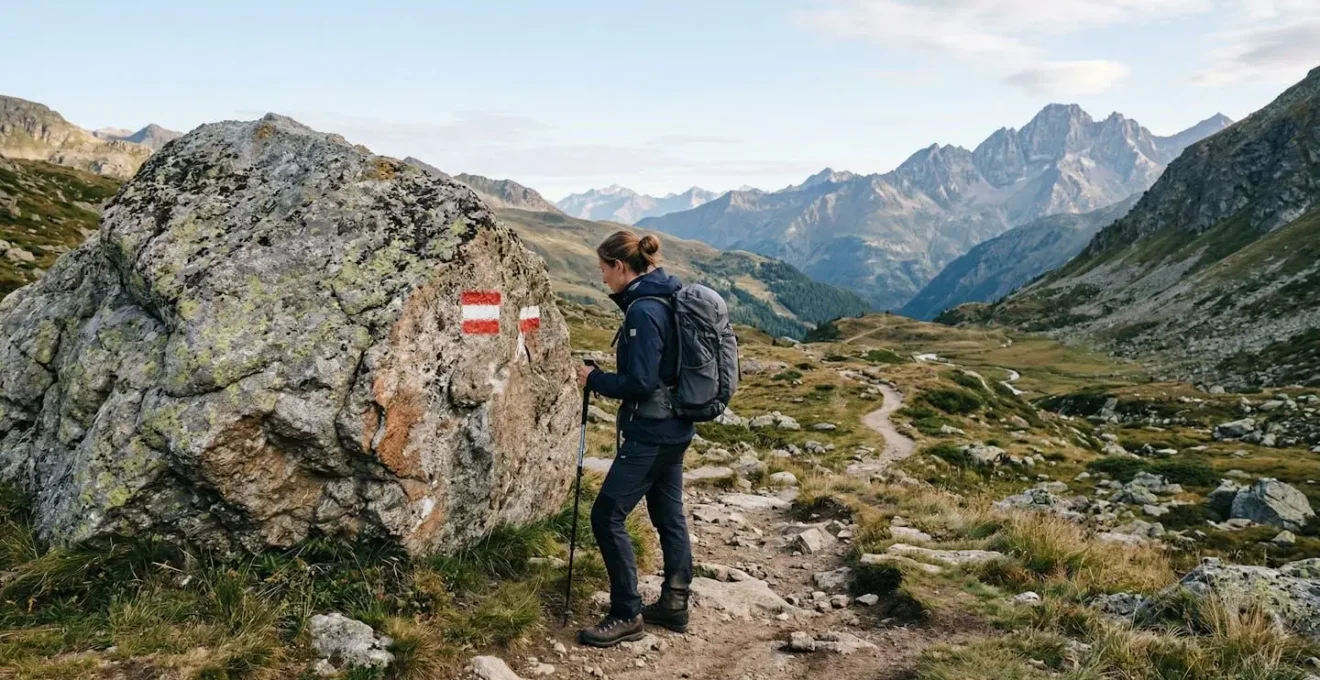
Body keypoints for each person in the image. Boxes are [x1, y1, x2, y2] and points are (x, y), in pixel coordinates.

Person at [574, 230, 694, 647]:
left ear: (621, 267)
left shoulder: (643, 310)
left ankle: (626, 613)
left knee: (606, 516)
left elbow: (641, 382)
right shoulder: (670, 294)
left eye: (604, 269)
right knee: (668, 515)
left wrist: (596, 378)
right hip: (678, 426)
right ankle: (675, 603)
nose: (602, 277)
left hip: (651, 432)